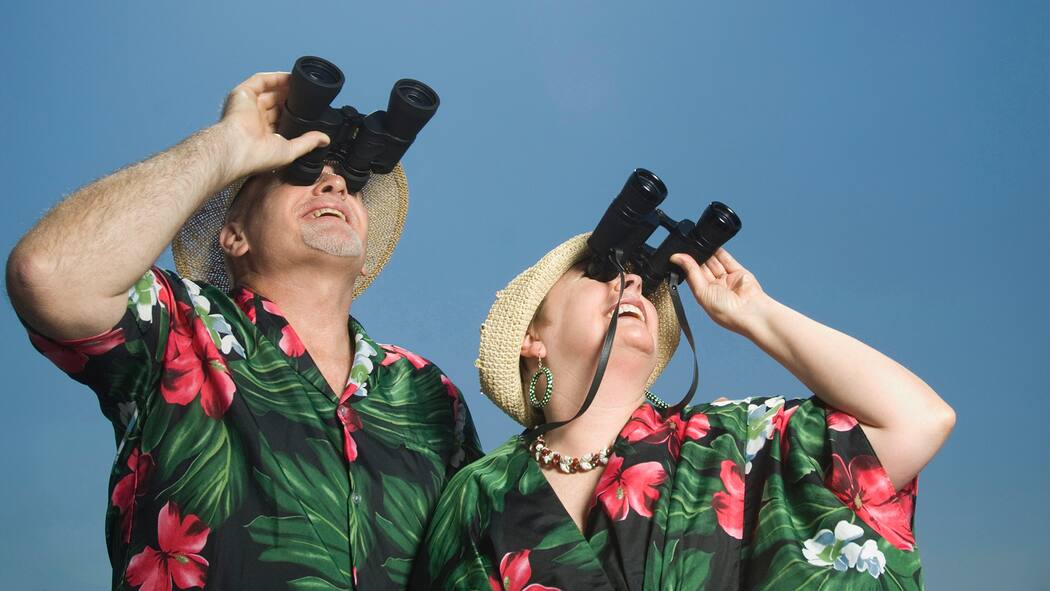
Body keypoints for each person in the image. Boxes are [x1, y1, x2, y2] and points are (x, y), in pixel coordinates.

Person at [7, 70, 481, 590]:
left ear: (364, 257)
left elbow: (480, 556)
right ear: (233, 236)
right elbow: (49, 274)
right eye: (299, 173)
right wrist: (228, 145)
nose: (335, 184)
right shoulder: (180, 325)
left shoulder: (429, 392)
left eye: (350, 185)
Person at [415, 233, 954, 590]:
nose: (630, 282)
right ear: (531, 337)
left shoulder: (734, 441)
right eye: (599, 271)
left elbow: (917, 419)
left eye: (639, 277)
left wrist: (756, 314)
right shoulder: (479, 494)